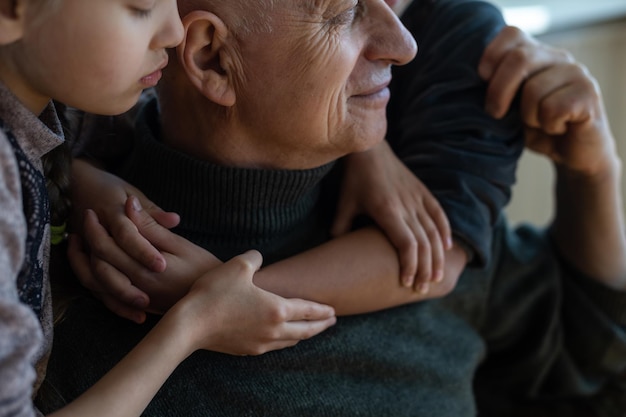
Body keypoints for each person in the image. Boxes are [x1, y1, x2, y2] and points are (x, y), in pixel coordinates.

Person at [44, 1, 626, 417]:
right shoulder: (60, 298)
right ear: (212, 57)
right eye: (344, 12)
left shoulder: (416, 232)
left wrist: (595, 171)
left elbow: (596, 367)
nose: (403, 44)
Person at [0, 1, 337, 417]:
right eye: (141, 7)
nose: (175, 33)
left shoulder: (61, 103)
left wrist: (81, 180)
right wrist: (195, 322)